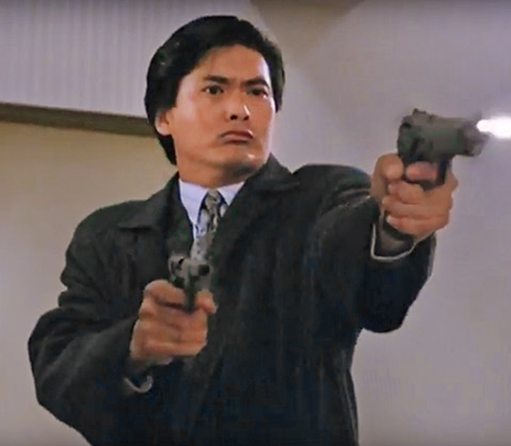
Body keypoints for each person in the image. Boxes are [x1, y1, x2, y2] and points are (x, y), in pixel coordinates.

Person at [28, 15, 458, 446]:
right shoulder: (108, 236)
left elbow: (362, 263)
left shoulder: (320, 198)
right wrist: (133, 348)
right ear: (164, 117)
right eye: (214, 90)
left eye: (257, 91)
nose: (241, 109)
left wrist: (394, 228)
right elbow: (59, 365)